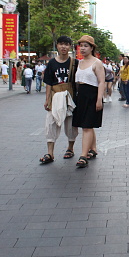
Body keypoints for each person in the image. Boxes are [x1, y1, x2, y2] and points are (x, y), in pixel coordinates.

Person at [39, 36, 79, 164]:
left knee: (71, 124)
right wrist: (47, 99)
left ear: (70, 47)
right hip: (55, 97)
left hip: (70, 98)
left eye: (66, 44)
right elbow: (49, 83)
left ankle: (70, 148)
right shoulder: (51, 63)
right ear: (57, 46)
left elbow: (77, 82)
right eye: (61, 44)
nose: (63, 47)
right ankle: (50, 153)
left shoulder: (74, 62)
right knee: (50, 123)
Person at [72, 35, 105, 168]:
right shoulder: (78, 63)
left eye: (86, 46)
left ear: (92, 48)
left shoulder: (97, 63)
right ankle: (93, 149)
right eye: (81, 46)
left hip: (93, 95)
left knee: (87, 126)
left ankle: (83, 156)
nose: (83, 48)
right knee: (87, 125)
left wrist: (99, 100)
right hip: (81, 96)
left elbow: (101, 81)